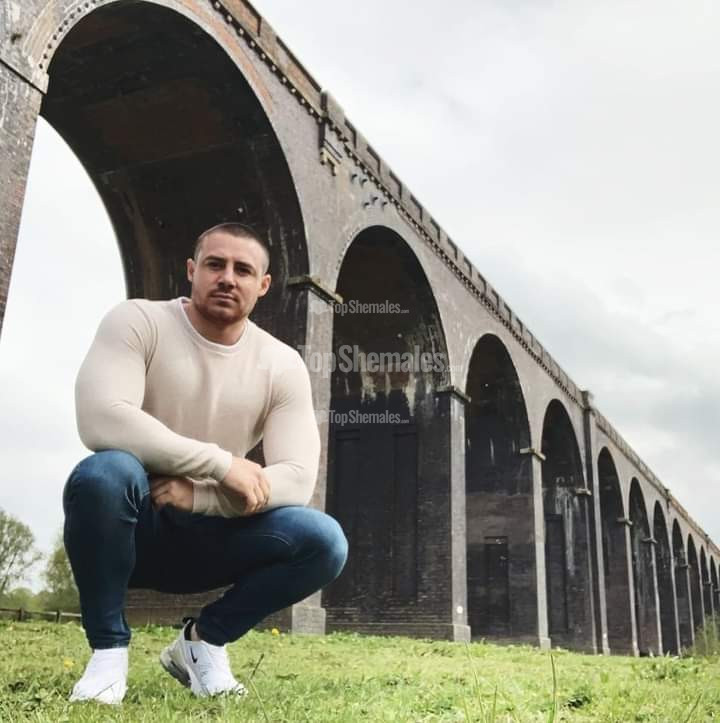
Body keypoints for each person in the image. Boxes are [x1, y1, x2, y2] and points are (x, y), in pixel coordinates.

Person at [63, 222, 348, 705]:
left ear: (263, 285)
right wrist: (220, 464)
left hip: (215, 535)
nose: (227, 278)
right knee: (104, 474)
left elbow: (298, 479)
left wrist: (200, 494)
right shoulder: (138, 321)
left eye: (243, 270)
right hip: (134, 527)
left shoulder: (282, 364)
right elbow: (101, 418)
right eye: (215, 264)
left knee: (324, 540)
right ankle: (108, 653)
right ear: (192, 270)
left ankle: (203, 642)